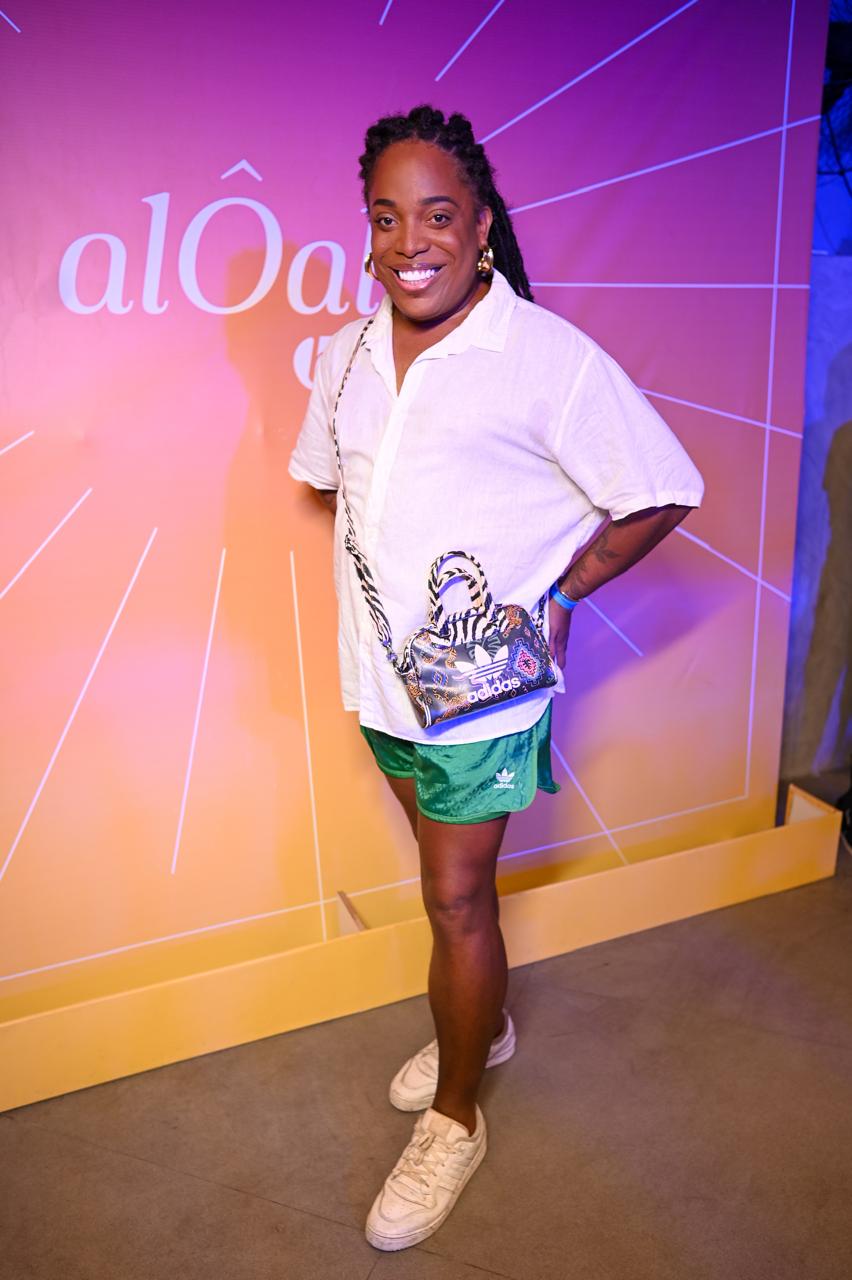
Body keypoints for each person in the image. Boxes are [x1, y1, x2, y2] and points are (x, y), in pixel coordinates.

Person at [288, 104, 705, 1252]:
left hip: (483, 689)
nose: (409, 241)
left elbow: (662, 487)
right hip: (379, 677)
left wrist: (564, 590)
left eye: (437, 215)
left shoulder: (545, 358)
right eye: (386, 217)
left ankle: (458, 1114)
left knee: (456, 898)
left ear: (481, 228)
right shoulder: (344, 355)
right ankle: (485, 1024)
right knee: (450, 892)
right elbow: (332, 481)